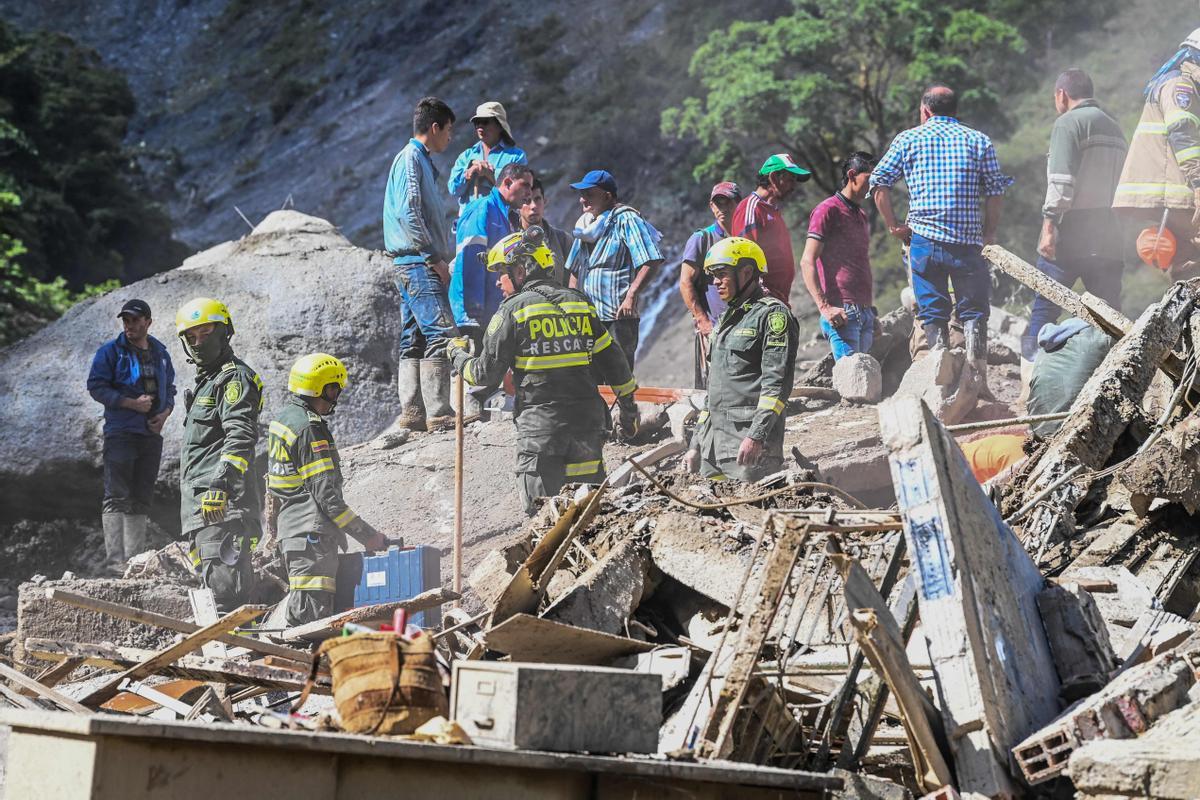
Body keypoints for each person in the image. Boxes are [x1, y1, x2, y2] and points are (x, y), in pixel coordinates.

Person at [448, 229, 640, 515]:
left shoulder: (512, 311)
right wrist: (628, 409)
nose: (499, 282)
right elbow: (614, 362)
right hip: (586, 428)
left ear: (521, 269)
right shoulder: (580, 303)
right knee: (590, 518)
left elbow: (482, 375)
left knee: (545, 522)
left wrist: (457, 354)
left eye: (502, 272)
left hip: (541, 435)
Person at [872, 84, 1013, 390]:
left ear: (925, 111)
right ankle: (978, 380)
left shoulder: (908, 138)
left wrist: (894, 224)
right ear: (955, 110)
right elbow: (995, 191)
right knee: (974, 311)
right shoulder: (978, 140)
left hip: (924, 242)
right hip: (968, 244)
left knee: (933, 311)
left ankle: (939, 381)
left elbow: (879, 183)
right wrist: (989, 234)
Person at [268, 353, 388, 625]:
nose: (336, 395)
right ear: (322, 388)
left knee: (306, 611)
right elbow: (327, 496)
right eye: (334, 388)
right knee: (311, 620)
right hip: (312, 536)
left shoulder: (285, 418)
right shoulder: (309, 429)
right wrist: (366, 535)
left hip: (293, 531)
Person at [1026, 69, 1127, 363]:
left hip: (1073, 231)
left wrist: (1048, 226)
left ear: (1062, 95)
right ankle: (1116, 374)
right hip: (1109, 231)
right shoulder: (1115, 128)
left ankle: (1031, 374)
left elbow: (1061, 183)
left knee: (1046, 301)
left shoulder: (1068, 124)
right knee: (1110, 314)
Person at [685, 237, 799, 482]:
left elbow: (777, 387)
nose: (715, 282)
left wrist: (756, 437)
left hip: (747, 448)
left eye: (722, 274)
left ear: (747, 272)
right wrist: (696, 443)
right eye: (713, 275)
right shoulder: (727, 319)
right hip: (712, 448)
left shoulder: (772, 316)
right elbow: (714, 390)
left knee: (752, 514)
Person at [176, 298, 264, 614]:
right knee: (213, 595)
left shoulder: (233, 378)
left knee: (228, 598)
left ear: (224, 331)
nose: (199, 343)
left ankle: (243, 659)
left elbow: (240, 437)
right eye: (191, 337)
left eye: (206, 332)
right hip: (201, 510)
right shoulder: (207, 384)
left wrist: (221, 487)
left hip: (222, 508)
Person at [382, 96, 459, 432]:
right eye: (449, 130)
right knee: (442, 335)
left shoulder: (418, 159)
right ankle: (440, 412)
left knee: (412, 338)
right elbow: (409, 211)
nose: (450, 137)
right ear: (434, 127)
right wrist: (435, 258)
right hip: (417, 261)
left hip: (407, 261)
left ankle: (413, 411)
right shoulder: (412, 158)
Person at [87, 299, 176, 573]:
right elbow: (96, 386)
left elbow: (170, 388)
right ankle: (115, 561)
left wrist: (165, 414)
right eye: (126, 320)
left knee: (141, 496)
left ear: (148, 322)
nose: (129, 326)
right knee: (117, 494)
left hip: (150, 435)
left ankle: (134, 561)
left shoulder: (160, 352)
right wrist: (130, 403)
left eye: (135, 320)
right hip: (121, 432)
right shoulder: (111, 352)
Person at [1113, 29, 1200, 277]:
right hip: (1178, 193)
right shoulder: (1180, 85)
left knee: (1188, 262)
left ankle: (1185, 313)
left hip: (1178, 194)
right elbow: (1183, 134)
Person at [564, 169, 663, 368]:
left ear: (607, 196)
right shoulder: (585, 227)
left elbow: (651, 260)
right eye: (581, 195)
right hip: (589, 319)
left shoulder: (626, 219)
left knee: (619, 378)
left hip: (618, 317)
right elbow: (574, 268)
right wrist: (572, 305)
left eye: (589, 194)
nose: (583, 200)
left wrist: (631, 296)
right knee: (590, 380)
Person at [800, 152, 877, 360]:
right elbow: (807, 261)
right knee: (853, 383)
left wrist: (870, 310)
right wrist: (825, 307)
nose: (874, 185)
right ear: (852, 175)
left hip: (865, 312)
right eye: (870, 178)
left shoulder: (860, 215)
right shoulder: (827, 210)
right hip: (842, 312)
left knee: (867, 381)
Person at [451, 162, 534, 339]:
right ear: (507, 182)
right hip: (473, 317)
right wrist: (474, 310)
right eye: (525, 185)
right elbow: (471, 258)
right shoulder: (483, 208)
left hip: (492, 313)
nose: (529, 194)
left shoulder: (508, 216)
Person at [679, 181, 741, 388]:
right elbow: (686, 282)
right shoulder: (701, 239)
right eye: (717, 203)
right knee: (717, 386)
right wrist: (702, 320)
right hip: (715, 326)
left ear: (739, 204)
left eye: (727, 202)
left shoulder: (748, 238)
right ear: (711, 206)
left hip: (746, 325)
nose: (722, 208)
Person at [732, 154, 811, 305]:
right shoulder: (751, 208)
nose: (794, 186)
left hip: (777, 300)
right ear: (774, 178)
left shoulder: (772, 210)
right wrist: (761, 296)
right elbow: (743, 256)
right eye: (790, 179)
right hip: (761, 302)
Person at [447, 101, 528, 215]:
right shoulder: (465, 157)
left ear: (499, 126)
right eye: (477, 123)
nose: (480, 126)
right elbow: (453, 190)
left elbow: (518, 192)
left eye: (485, 122)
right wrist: (467, 174)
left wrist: (490, 174)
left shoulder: (516, 157)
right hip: (468, 225)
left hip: (502, 225)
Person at [518, 177, 574, 286]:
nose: (533, 206)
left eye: (537, 199)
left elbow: (573, 282)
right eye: (527, 201)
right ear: (518, 204)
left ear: (545, 201)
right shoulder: (508, 240)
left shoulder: (563, 240)